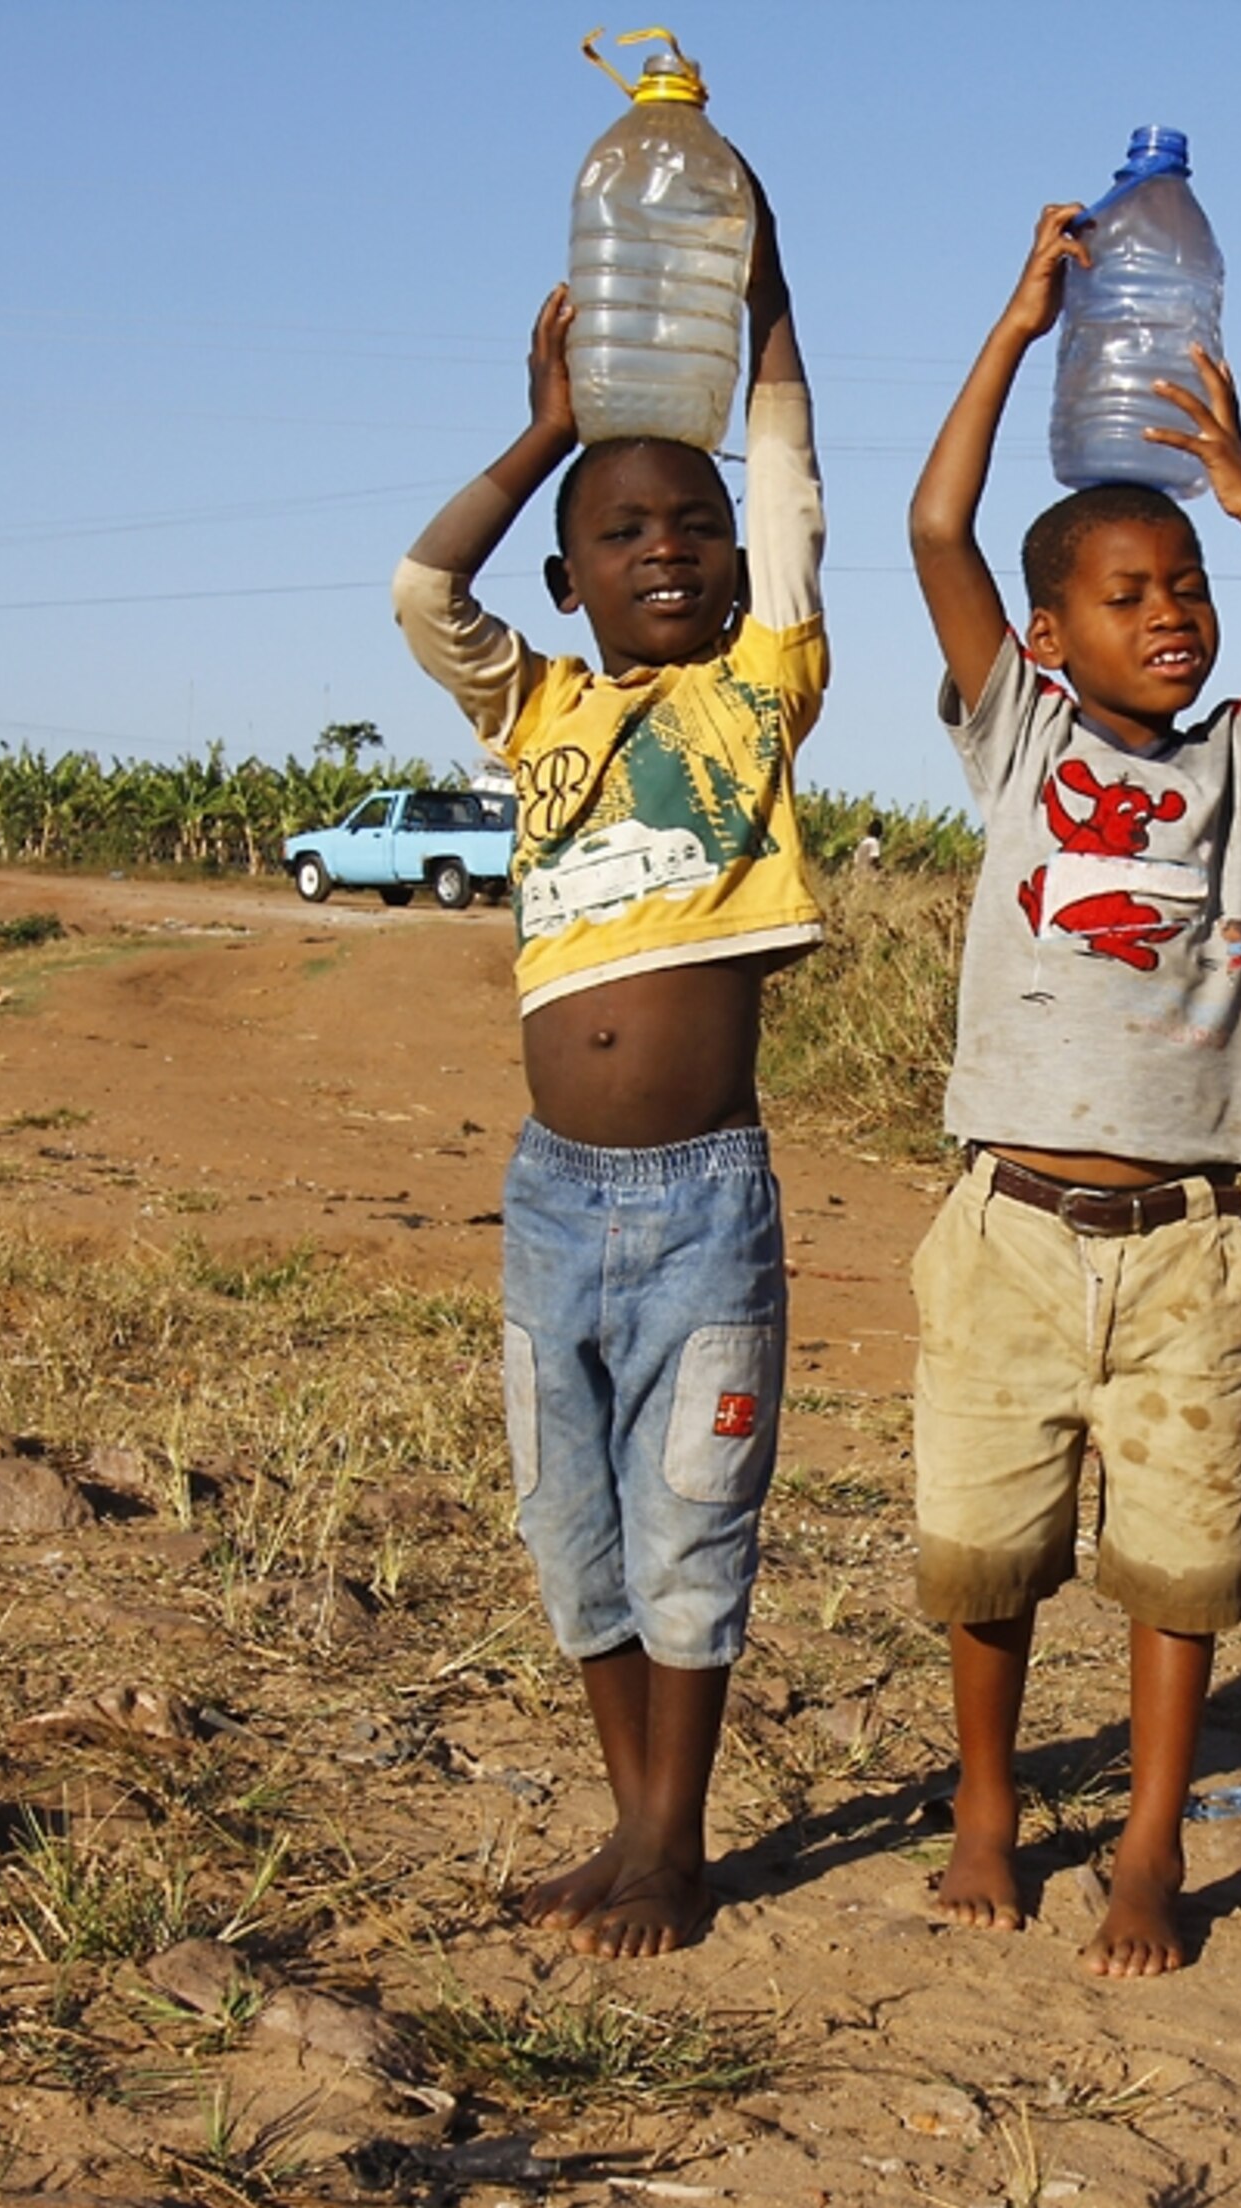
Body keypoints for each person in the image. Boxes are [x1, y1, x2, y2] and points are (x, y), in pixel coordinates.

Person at [905, 204, 1241, 1977]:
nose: (1174, 617)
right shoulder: (1019, 738)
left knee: (1182, 1567)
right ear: (1052, 635)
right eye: (1131, 598)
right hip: (1011, 1233)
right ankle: (984, 1808)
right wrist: (1018, 325)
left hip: (1190, 1243)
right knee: (983, 1548)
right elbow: (936, 525)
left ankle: (1144, 1847)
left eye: (1187, 589)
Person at [389, 167, 824, 1960]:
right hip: (550, 1199)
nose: (666, 548)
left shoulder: (759, 692)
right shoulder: (539, 707)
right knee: (568, 1523)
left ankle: (674, 1839)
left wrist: (769, 292)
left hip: (704, 1198)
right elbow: (426, 591)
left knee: (689, 1522)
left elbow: (794, 480)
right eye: (624, 530)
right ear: (567, 579)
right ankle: (629, 1820)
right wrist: (543, 428)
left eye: (693, 527)